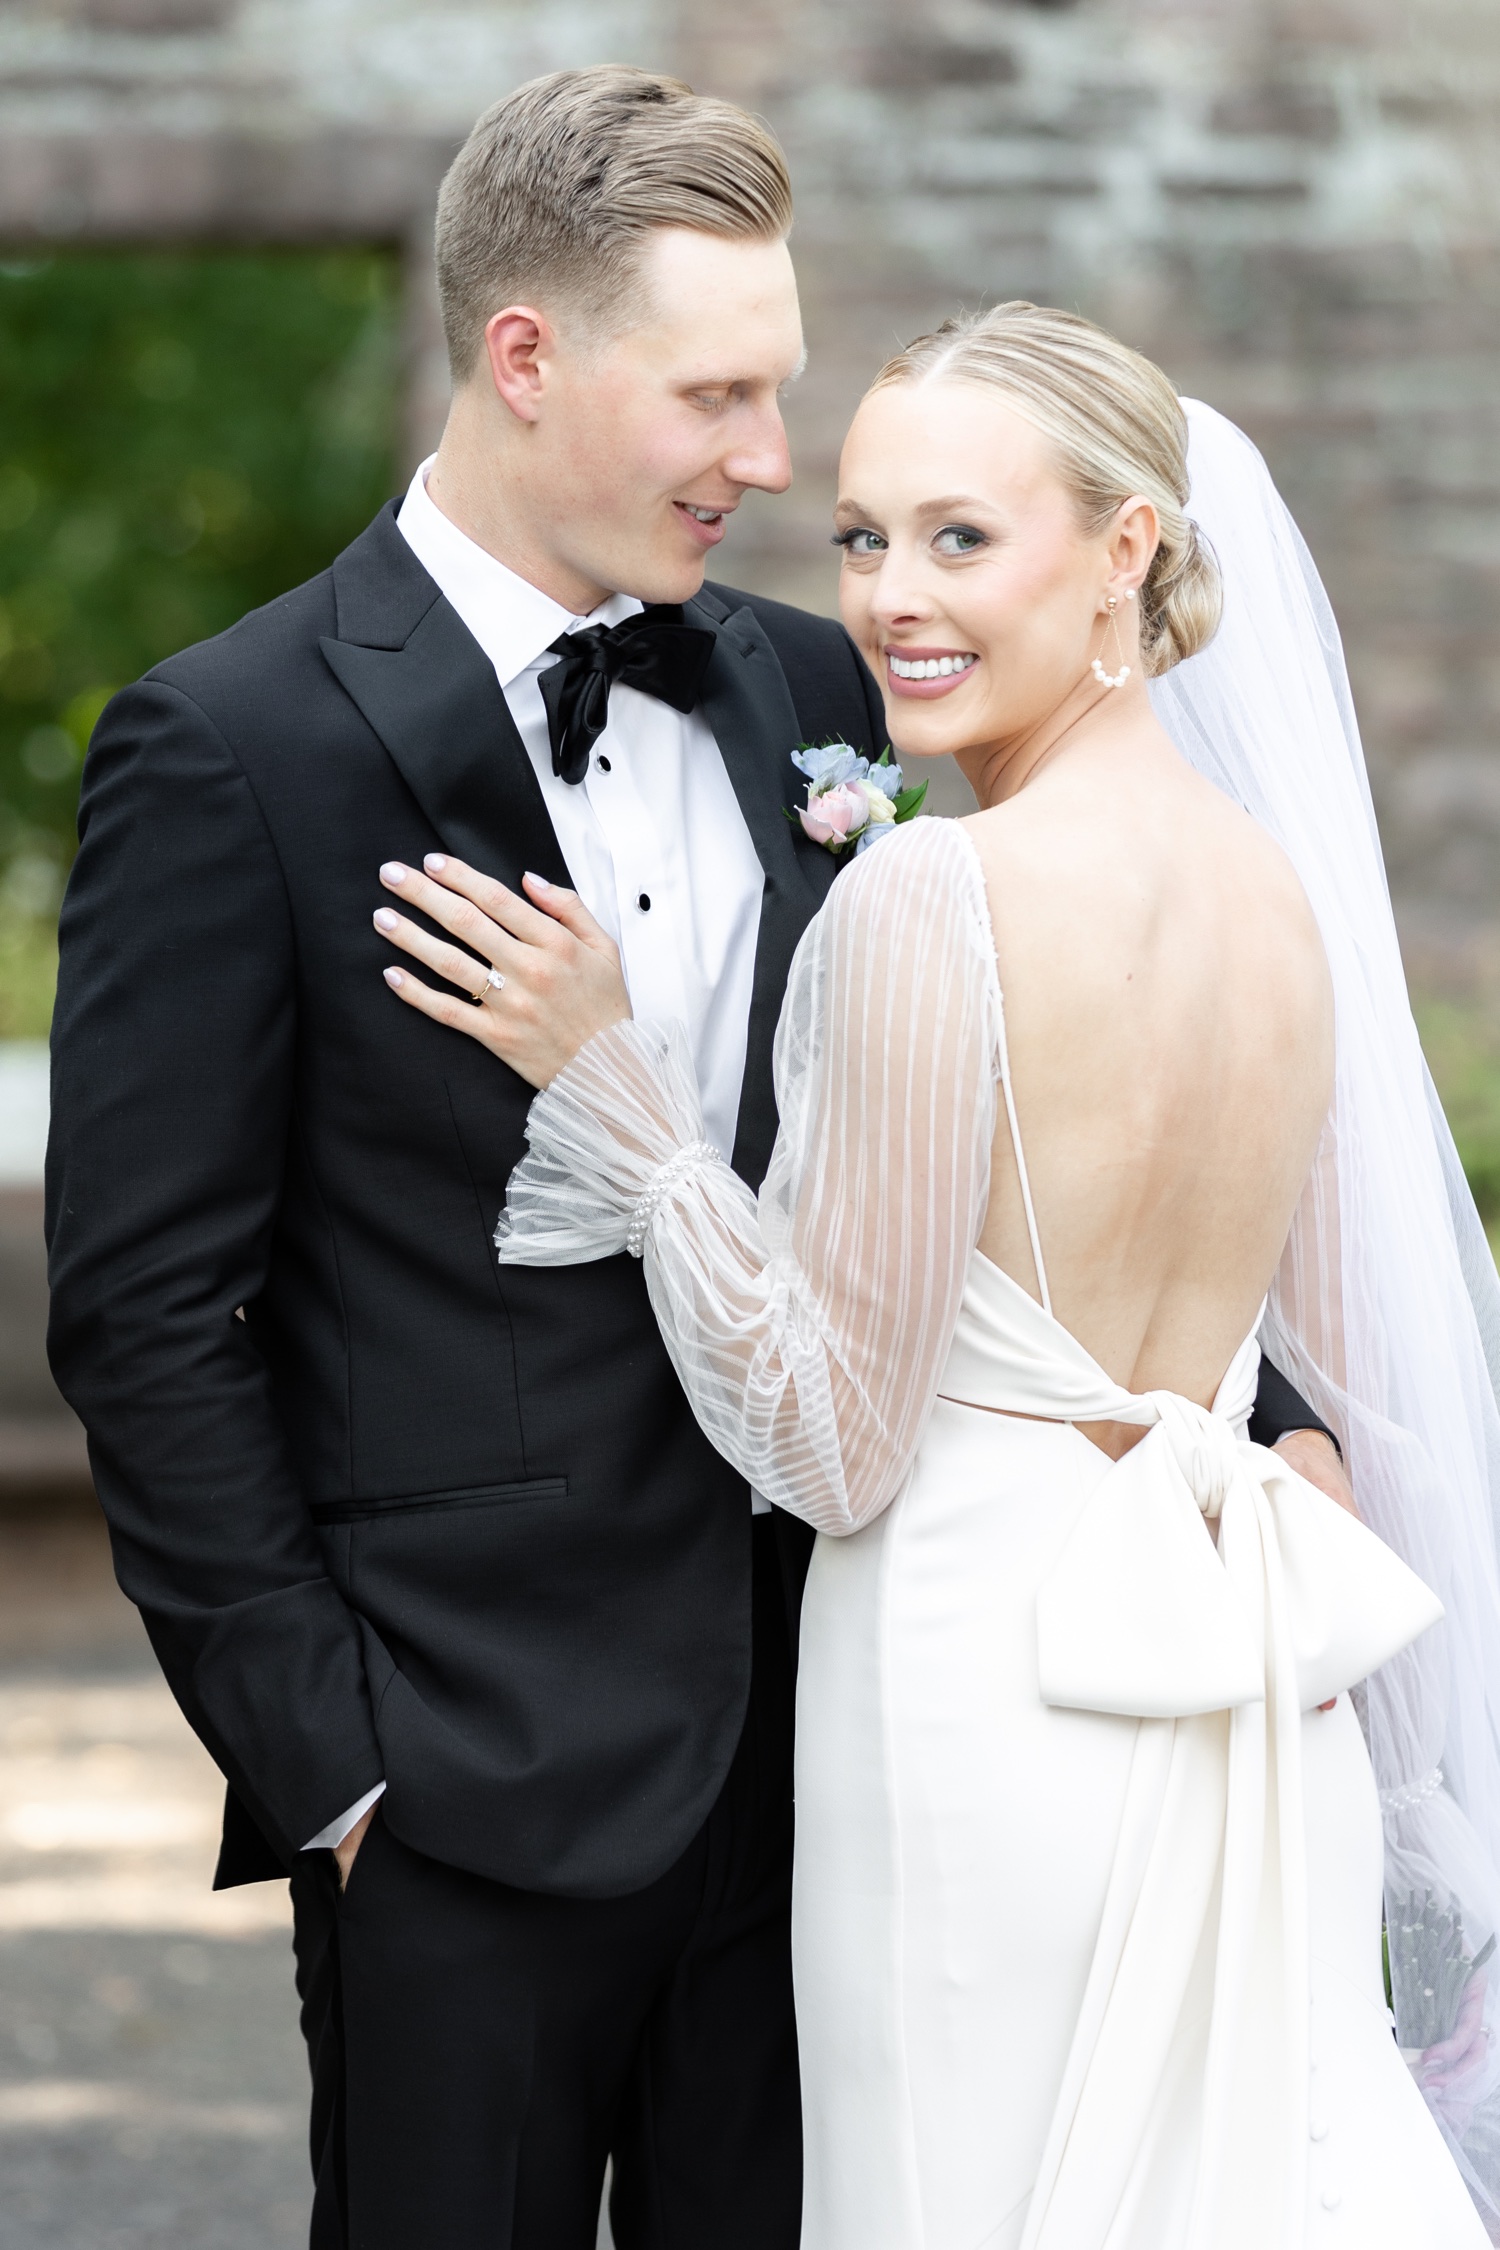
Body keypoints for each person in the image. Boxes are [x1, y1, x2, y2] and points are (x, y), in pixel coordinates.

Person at [44, 63, 1343, 2249]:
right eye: (721, 395)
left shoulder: (823, 694)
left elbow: (1015, 1118)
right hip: (460, 1789)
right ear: (528, 358)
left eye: (782, 393)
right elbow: (150, 1309)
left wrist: (1246, 1406)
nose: (771, 459)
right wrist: (332, 1767)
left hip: (849, 1755)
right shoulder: (234, 744)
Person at [381, 304, 1500, 2246]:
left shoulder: (931, 892)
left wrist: (624, 1110)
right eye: (864, 537)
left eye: (962, 539)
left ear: (1129, 549)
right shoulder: (1285, 896)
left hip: (992, 1695)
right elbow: (1315, 1360)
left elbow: (826, 1439)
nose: (895, 597)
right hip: (1246, 1686)